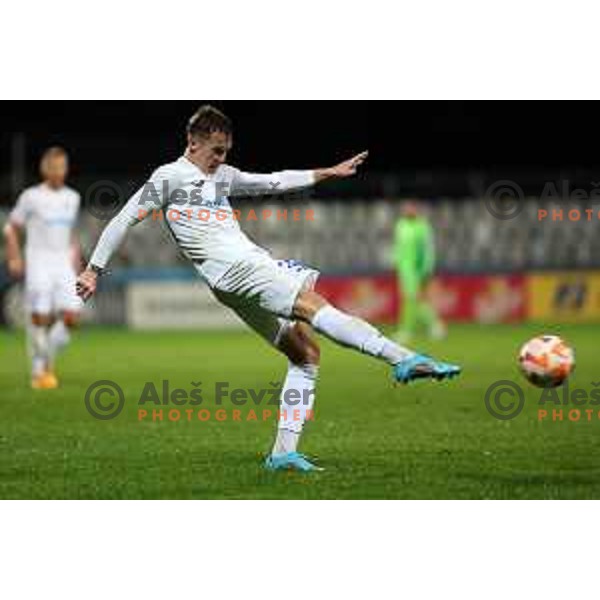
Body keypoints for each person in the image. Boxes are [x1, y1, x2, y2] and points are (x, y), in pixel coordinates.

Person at [76, 105, 460, 472]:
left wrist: (326, 172)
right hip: (243, 268)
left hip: (228, 282)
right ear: (192, 142)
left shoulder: (221, 176)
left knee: (305, 353)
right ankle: (402, 358)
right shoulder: (168, 177)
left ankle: (283, 454)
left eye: (226, 151)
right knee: (314, 305)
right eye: (216, 151)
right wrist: (94, 270)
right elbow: (123, 219)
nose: (221, 158)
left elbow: (273, 180)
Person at [4, 147, 82, 389]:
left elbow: (70, 235)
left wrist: (78, 263)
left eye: (63, 166)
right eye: (54, 166)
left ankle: (44, 358)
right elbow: (11, 228)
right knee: (40, 317)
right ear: (44, 169)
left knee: (71, 316)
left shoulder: (73, 197)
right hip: (38, 260)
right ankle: (40, 372)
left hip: (63, 262)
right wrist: (14, 257)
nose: (59, 171)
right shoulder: (31, 197)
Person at [393, 200, 446, 342]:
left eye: (410, 208)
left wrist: (426, 268)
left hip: (417, 269)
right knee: (411, 300)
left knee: (412, 299)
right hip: (404, 269)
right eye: (405, 208)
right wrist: (396, 263)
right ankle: (433, 325)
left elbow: (427, 249)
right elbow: (398, 247)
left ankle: (409, 330)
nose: (407, 210)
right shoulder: (400, 225)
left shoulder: (422, 226)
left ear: (416, 210)